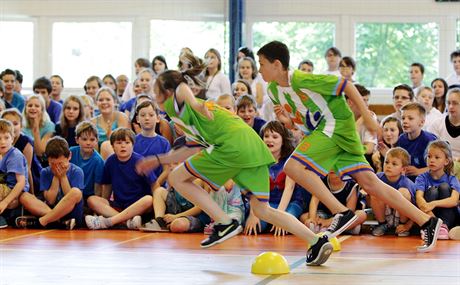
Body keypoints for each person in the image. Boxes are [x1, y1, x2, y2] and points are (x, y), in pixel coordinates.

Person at [135, 63, 334, 266]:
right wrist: (158, 159)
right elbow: (192, 149)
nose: (153, 94)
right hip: (252, 149)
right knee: (263, 211)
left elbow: (181, 88)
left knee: (177, 177)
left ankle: (224, 221)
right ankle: (317, 240)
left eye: (155, 89)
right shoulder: (188, 119)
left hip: (232, 146)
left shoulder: (176, 105)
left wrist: (194, 103)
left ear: (166, 92)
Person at [257, 40, 442, 252]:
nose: (259, 68)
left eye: (262, 63)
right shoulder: (273, 91)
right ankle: (427, 221)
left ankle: (341, 212)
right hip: (327, 132)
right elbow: (303, 119)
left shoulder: (301, 78)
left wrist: (367, 117)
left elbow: (346, 85)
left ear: (277, 64)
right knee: (371, 183)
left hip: (336, 124)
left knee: (292, 167)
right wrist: (289, 123)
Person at [244, 121, 308, 236]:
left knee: (286, 226)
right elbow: (253, 191)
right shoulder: (258, 161)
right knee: (257, 226)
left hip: (290, 203)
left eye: (275, 137)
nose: (270, 140)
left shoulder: (290, 160)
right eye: (266, 136)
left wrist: (280, 216)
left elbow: (289, 188)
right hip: (266, 204)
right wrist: (253, 215)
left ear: (283, 140)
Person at [85, 128, 154, 230]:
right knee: (92, 200)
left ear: (133, 145)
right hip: (119, 205)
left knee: (149, 199)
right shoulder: (110, 162)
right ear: (112, 146)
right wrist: (103, 205)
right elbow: (107, 186)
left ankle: (109, 222)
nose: (123, 146)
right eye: (119, 143)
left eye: (127, 142)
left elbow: (154, 185)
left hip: (137, 206)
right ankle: (126, 221)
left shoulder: (140, 161)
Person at [18, 137, 84, 229]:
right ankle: (59, 222)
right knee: (24, 196)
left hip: (71, 214)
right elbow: (50, 200)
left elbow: (69, 198)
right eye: (52, 164)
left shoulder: (77, 171)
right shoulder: (45, 172)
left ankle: (43, 221)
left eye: (60, 164)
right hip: (49, 210)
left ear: (69, 156)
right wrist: (56, 177)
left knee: (76, 192)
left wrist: (63, 177)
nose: (57, 167)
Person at [416, 140, 460, 240]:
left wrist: (434, 203)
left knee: (444, 187)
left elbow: (454, 201)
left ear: (446, 161)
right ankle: (430, 226)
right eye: (429, 156)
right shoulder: (421, 178)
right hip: (429, 215)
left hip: (448, 217)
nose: (432, 160)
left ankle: (444, 226)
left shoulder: (452, 179)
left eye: (437, 157)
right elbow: (419, 198)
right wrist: (432, 218)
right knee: (432, 191)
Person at [301, 170, 365, 235]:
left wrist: (329, 221)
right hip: (323, 215)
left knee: (362, 214)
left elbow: (350, 212)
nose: (333, 169)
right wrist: (312, 218)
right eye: (331, 164)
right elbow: (314, 201)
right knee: (303, 217)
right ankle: (344, 229)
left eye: (336, 165)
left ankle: (325, 228)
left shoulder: (351, 185)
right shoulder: (321, 180)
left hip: (342, 218)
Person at [371, 147, 416, 237]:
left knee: (403, 193)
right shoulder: (378, 177)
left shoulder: (407, 183)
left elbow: (415, 207)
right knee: (375, 191)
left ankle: (401, 225)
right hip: (385, 214)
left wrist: (408, 224)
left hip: (401, 216)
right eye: (386, 162)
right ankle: (382, 224)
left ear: (403, 169)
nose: (388, 166)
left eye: (394, 164)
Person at [1, 109, 42, 197]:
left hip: (29, 176)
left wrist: (32, 194)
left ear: (21, 126)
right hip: (8, 178)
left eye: (15, 124)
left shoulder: (26, 142)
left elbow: (27, 170)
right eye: (8, 123)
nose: (11, 126)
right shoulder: (2, 141)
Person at [397, 102, 437, 180]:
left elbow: (439, 166)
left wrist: (418, 171)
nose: (405, 121)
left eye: (410, 118)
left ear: (421, 122)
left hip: (428, 179)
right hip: (407, 179)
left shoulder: (430, 140)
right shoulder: (401, 139)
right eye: (403, 118)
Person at [0, 119, 29, 228]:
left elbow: (21, 183)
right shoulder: (2, 153)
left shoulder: (14, 155)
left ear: (12, 138)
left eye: (6, 138)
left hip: (15, 189)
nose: (2, 142)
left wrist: (5, 202)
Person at [427, 88, 460, 179]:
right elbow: (430, 150)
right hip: (440, 165)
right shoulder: (437, 124)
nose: (450, 107)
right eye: (448, 103)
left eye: (455, 103)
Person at [133, 100, 171, 177]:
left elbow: (167, 170)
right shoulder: (132, 141)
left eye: (151, 115)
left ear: (157, 118)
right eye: (143, 115)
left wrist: (156, 185)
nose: (147, 118)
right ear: (137, 119)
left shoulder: (164, 143)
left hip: (158, 185)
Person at [90, 87, 130, 159]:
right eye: (101, 100)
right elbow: (93, 149)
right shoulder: (93, 122)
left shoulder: (121, 117)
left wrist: (111, 138)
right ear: (96, 103)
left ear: (114, 101)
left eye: (108, 99)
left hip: (120, 156)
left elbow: (126, 142)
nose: (104, 102)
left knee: (107, 145)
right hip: (99, 157)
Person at [70, 121, 104, 203]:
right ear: (77, 140)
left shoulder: (98, 161)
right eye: (84, 139)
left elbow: (98, 187)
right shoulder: (71, 152)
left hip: (88, 196)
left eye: (92, 139)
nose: (88, 143)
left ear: (97, 141)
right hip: (71, 192)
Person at [22, 95, 55, 166]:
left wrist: (36, 129)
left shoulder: (49, 126)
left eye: (37, 106)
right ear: (25, 109)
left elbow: (40, 152)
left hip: (42, 163)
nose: (33, 108)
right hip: (24, 161)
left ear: (42, 110)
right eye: (30, 105)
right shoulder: (21, 127)